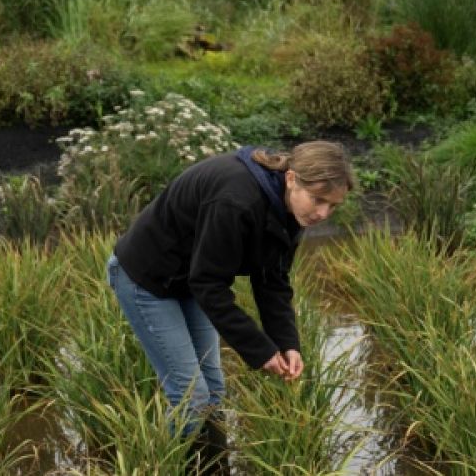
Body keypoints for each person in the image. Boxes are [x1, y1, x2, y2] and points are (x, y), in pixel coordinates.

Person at [106, 140, 354, 474]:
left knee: (214, 392)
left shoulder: (291, 210)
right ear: (292, 178)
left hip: (190, 279)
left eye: (332, 206)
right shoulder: (236, 199)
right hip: (147, 280)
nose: (323, 213)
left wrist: (286, 345)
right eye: (318, 200)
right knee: (190, 398)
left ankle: (212, 469)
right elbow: (209, 284)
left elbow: (272, 280)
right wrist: (261, 351)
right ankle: (163, 468)